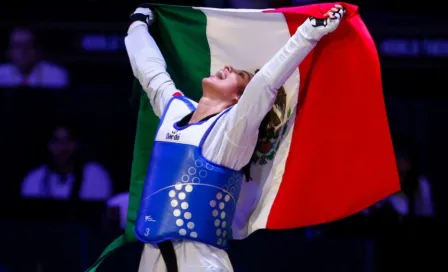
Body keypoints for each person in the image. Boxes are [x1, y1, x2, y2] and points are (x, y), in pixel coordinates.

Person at [125, 4, 345, 272]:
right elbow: (149, 70)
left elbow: (265, 83)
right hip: (151, 258)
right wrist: (138, 23)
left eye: (238, 75)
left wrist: (309, 32)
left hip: (202, 263)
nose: (227, 67)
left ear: (239, 98)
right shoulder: (174, 109)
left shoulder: (232, 132)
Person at [21, 121, 112, 201]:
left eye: (68, 141)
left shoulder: (95, 176)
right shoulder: (35, 179)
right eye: (57, 142)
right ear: (49, 145)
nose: (62, 148)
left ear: (77, 144)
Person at [0, 26, 69, 88]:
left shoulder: (56, 75)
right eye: (17, 46)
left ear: (38, 50)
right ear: (9, 51)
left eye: (28, 46)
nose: (23, 51)